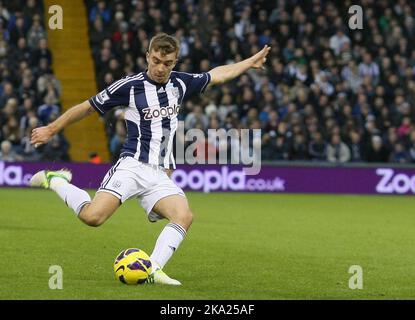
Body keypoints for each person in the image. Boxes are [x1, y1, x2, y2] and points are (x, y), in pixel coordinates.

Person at [30, 33, 270, 285]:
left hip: (160, 174)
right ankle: (57, 181)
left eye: (167, 63)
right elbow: (87, 107)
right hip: (132, 167)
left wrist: (249, 63)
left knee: (184, 216)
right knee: (93, 218)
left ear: (175, 62)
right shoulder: (129, 86)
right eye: (155, 60)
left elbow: (217, 74)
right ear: (147, 56)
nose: (160, 68)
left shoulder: (180, 83)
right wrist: (51, 129)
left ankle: (153, 268)